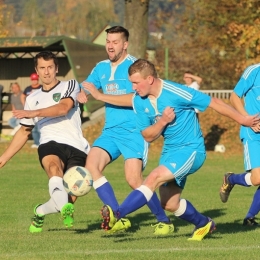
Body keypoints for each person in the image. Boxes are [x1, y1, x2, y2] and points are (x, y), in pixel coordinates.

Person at [99, 59, 259, 241]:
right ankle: (203, 223)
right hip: (170, 151)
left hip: (192, 150)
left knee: (153, 177)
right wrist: (162, 121)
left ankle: (117, 214)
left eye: (136, 82)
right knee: (169, 203)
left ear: (150, 79)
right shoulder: (139, 101)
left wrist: (242, 119)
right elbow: (147, 136)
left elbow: (214, 102)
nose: (133, 87)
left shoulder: (176, 92)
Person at [78, 25, 174, 235]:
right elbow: (87, 84)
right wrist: (82, 93)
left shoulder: (134, 68)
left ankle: (163, 220)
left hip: (134, 131)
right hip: (110, 131)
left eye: (115, 42)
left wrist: (100, 96)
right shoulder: (101, 67)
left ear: (125, 44)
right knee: (91, 165)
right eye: (108, 42)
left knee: (134, 180)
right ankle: (116, 217)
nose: (110, 46)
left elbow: (134, 99)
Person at [0, 51, 90, 233]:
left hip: (77, 146)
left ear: (56, 68)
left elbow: (63, 108)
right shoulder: (32, 98)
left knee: (64, 201)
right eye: (42, 68)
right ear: (37, 70)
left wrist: (33, 113)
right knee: (53, 168)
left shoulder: (70, 85)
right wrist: (3, 158)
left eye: (50, 67)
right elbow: (24, 132)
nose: (46, 72)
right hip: (50, 143)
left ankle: (39, 211)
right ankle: (58, 208)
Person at [219, 63, 260, 226]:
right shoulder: (254, 71)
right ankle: (231, 179)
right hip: (253, 134)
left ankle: (249, 218)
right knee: (258, 179)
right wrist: (247, 120)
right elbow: (234, 97)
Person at [21, 72, 42, 148]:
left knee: (40, 128)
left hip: (40, 111)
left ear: (38, 80)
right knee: (34, 129)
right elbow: (22, 96)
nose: (34, 81)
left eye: (35, 79)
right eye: (33, 80)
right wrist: (25, 106)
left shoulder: (41, 87)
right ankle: (36, 143)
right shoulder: (28, 89)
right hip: (30, 112)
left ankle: (42, 143)